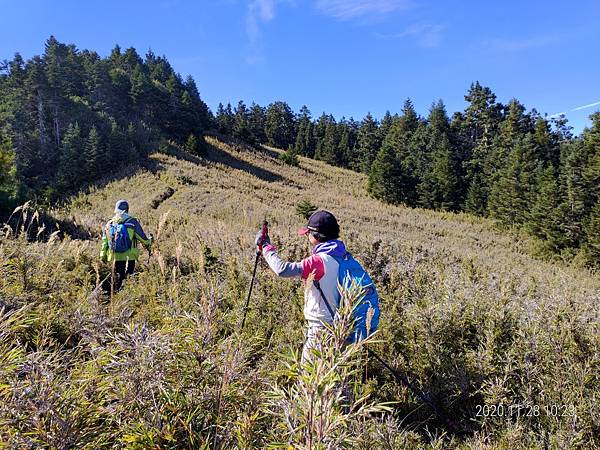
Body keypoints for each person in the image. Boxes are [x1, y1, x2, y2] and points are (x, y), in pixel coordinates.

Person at [256, 210, 380, 362]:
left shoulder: (319, 261)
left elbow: (282, 270)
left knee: (310, 381)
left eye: (308, 233)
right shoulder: (346, 257)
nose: (307, 237)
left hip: (321, 332)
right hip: (343, 331)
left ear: (316, 236)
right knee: (335, 379)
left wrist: (266, 248)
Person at [100, 200, 152, 291]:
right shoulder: (132, 222)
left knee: (118, 277)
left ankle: (116, 296)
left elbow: (105, 242)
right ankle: (125, 295)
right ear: (127, 209)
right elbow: (142, 238)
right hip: (130, 256)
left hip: (114, 256)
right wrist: (150, 242)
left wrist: (103, 256)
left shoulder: (110, 223)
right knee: (128, 279)